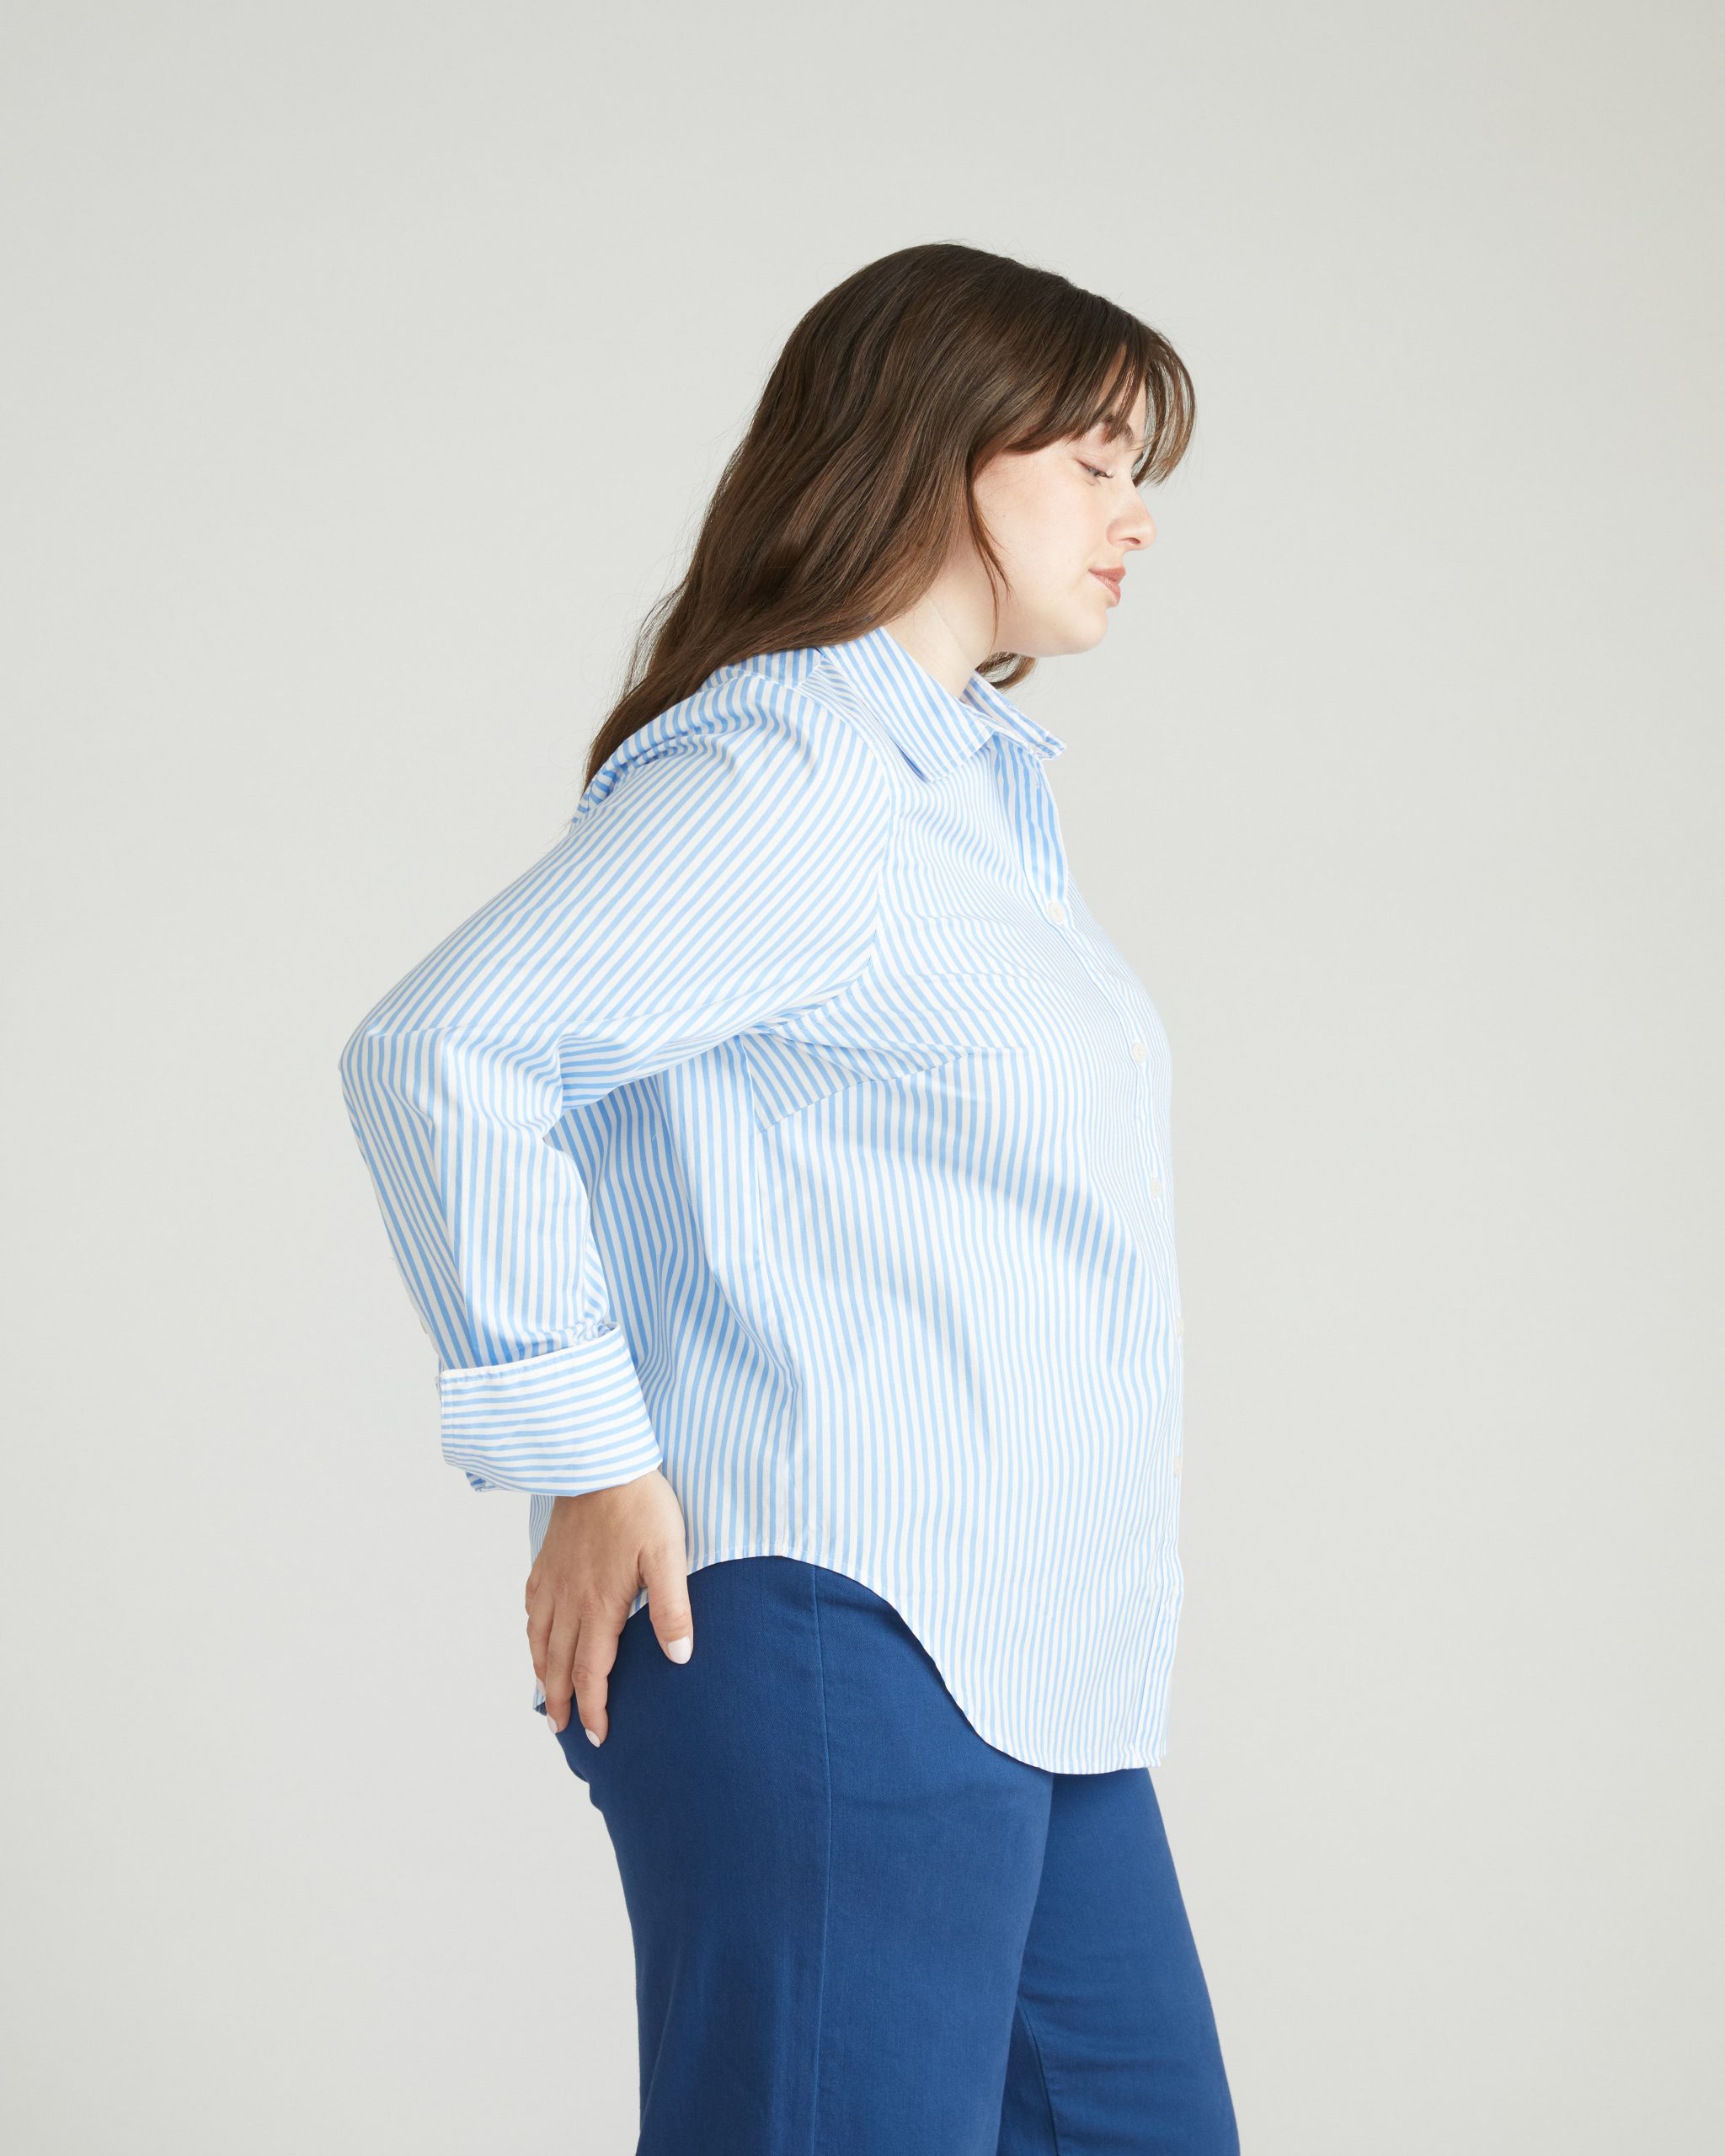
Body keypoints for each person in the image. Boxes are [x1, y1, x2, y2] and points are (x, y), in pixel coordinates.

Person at [338, 240, 1240, 2154]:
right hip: (839, 1623)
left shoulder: (963, 794)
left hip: (1029, 1652)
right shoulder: (794, 768)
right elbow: (441, 1051)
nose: (1135, 515)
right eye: (1093, 461)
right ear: (937, 452)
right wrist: (588, 1451)